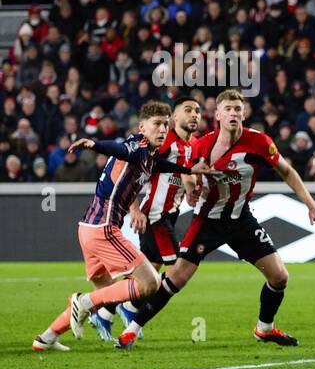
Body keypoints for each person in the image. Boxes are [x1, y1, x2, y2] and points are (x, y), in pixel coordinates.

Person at [117, 90, 315, 348]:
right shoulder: (203, 145)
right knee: (177, 277)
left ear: (244, 113)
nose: (234, 113)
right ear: (217, 115)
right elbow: (187, 171)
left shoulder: (259, 142)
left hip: (241, 220)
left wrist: (311, 205)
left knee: (280, 277)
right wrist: (192, 187)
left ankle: (265, 328)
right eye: (228, 109)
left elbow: (286, 171)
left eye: (238, 109)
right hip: (207, 221)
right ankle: (132, 329)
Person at [32, 102, 212, 351]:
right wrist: (95, 145)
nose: (162, 129)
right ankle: (81, 301)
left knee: (109, 292)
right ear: (142, 127)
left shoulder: (150, 155)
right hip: (104, 227)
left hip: (88, 226)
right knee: (150, 283)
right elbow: (121, 150)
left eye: (165, 124)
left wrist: (188, 169)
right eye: (157, 124)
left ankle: (46, 338)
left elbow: (160, 165)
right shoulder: (137, 146)